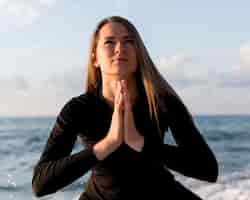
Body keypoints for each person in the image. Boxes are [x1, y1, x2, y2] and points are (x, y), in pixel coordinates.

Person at [32, 16, 218, 200]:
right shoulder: (79, 109)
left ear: (138, 53)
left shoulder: (162, 102)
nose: (120, 48)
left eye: (128, 41)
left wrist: (141, 144)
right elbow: (40, 184)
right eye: (109, 42)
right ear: (95, 58)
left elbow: (208, 170)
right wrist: (107, 144)